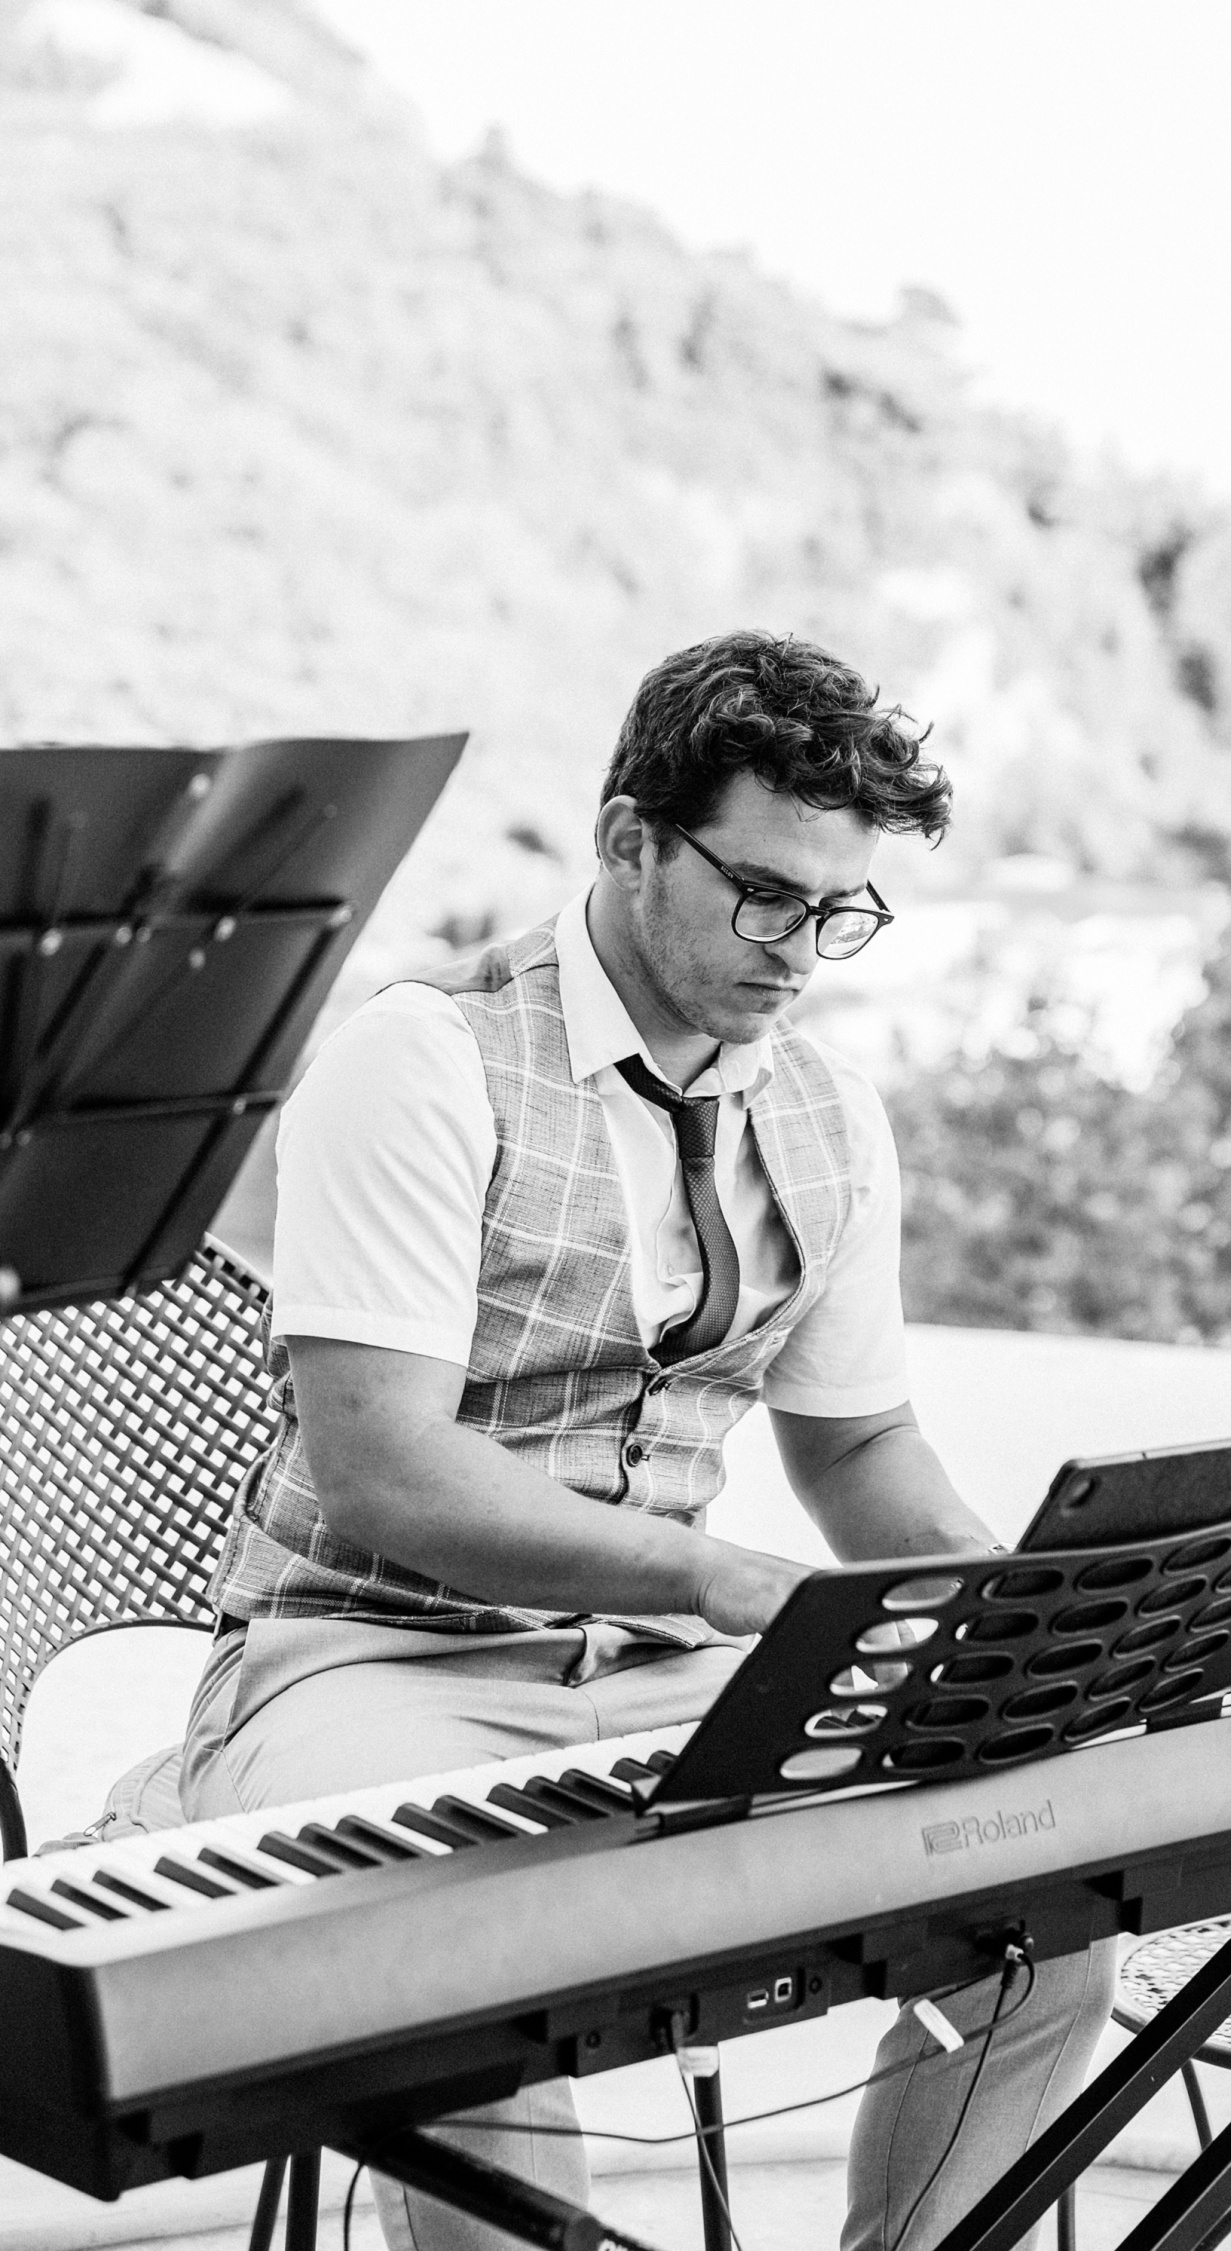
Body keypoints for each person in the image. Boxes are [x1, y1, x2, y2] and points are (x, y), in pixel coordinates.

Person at [181, 631, 1115, 2251]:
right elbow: (385, 1470)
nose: (802, 952)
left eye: (841, 912)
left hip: (661, 1666)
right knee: (460, 1955)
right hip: (360, 1662)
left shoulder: (825, 1108)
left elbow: (860, 1443)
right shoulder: (422, 1060)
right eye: (765, 896)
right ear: (629, 840)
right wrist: (717, 1578)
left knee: (1046, 1921)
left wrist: (1036, 1624)